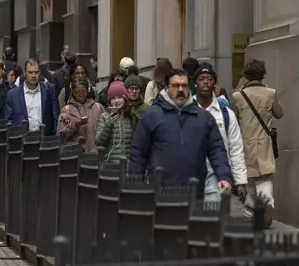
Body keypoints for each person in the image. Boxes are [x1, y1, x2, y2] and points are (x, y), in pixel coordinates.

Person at [129, 68, 233, 198]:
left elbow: (217, 150)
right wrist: (134, 186)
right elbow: (138, 152)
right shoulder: (152, 116)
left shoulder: (203, 118)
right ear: (167, 87)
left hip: (195, 192)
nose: (180, 90)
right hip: (160, 193)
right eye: (175, 85)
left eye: (184, 85)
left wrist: (224, 177)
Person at [231, 59, 283, 228]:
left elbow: (233, 118)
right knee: (264, 177)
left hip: (244, 144)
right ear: (263, 74)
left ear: (245, 75)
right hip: (264, 144)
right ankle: (266, 201)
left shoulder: (238, 96)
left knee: (248, 179)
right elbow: (279, 113)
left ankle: (251, 209)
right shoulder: (271, 93)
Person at [193, 66, 248, 203]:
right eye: (201, 79)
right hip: (190, 173)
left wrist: (240, 181)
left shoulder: (226, 114)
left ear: (215, 84)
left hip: (218, 175)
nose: (205, 82)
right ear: (195, 83)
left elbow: (236, 148)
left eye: (209, 79)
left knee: (214, 216)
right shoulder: (185, 111)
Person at [5, 58, 59, 136]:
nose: (33, 76)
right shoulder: (13, 95)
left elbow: (55, 116)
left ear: (39, 73)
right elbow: (10, 121)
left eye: (36, 72)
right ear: (24, 73)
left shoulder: (49, 90)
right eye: (30, 72)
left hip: (45, 138)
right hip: (22, 140)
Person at [58, 77, 105, 152]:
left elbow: (104, 130)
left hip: (95, 154)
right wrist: (75, 125)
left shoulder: (98, 108)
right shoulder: (67, 110)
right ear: (73, 92)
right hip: (75, 154)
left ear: (88, 90)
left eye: (84, 92)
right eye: (77, 92)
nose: (81, 95)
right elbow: (60, 135)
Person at [96, 81, 137, 162]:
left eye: (119, 97)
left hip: (128, 164)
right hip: (110, 164)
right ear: (109, 101)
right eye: (113, 98)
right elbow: (98, 141)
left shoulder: (130, 115)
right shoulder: (104, 117)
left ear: (125, 99)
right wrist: (108, 124)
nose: (116, 101)